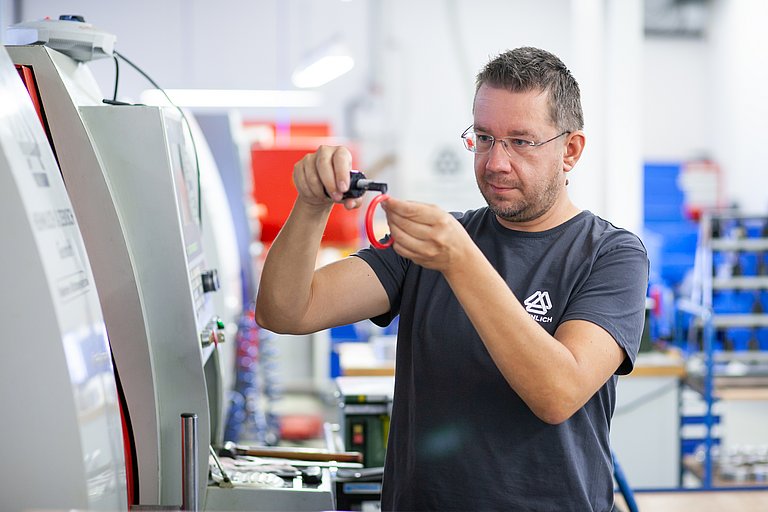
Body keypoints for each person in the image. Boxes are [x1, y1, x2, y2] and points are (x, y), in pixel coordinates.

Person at [256, 46, 648, 511]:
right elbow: (284, 310)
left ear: (570, 150)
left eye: (520, 141)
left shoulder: (610, 253)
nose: (495, 162)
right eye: (484, 138)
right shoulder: (433, 244)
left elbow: (557, 392)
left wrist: (462, 261)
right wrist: (310, 204)